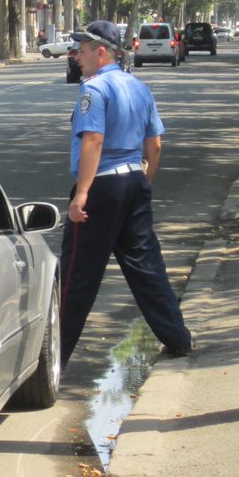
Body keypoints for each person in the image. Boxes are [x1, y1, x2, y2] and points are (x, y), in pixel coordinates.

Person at [60, 19, 194, 365]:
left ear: (101, 53)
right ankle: (177, 338)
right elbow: (155, 145)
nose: (77, 56)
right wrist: (144, 183)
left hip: (101, 186)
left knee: (77, 276)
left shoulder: (94, 90)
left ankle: (54, 356)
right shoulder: (139, 88)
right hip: (134, 180)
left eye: (83, 50)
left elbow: (94, 140)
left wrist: (82, 194)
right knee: (147, 266)